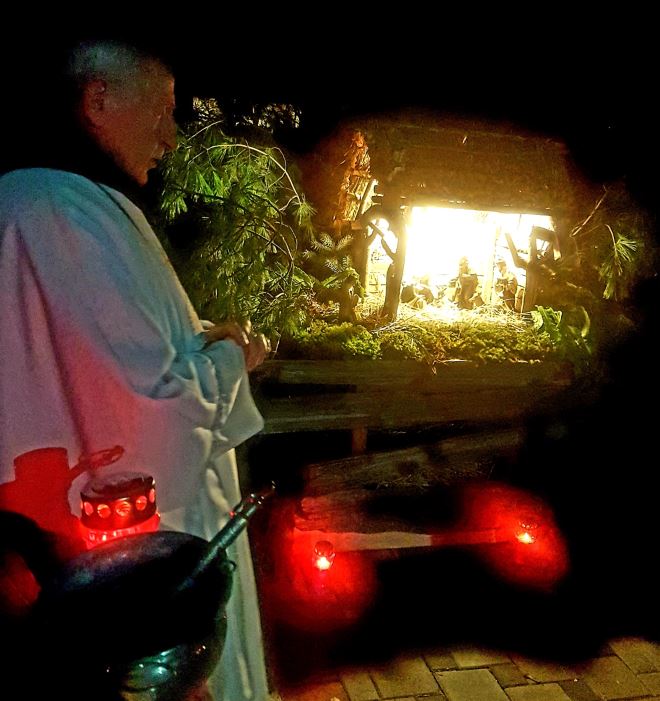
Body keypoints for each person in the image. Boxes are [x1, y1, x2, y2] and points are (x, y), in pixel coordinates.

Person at [0, 39, 270, 701]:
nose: (171, 138)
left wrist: (195, 335)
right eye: (163, 109)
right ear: (99, 99)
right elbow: (152, 424)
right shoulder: (65, 213)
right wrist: (235, 355)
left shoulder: (46, 200)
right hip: (138, 581)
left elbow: (101, 359)